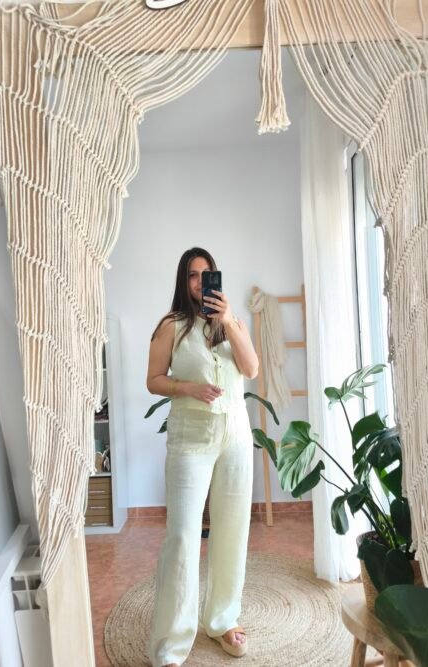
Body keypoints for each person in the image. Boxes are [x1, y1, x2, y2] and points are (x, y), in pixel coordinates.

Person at [146, 247, 259, 667]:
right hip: (191, 437)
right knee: (182, 536)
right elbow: (153, 380)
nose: (199, 282)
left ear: (215, 277)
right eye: (192, 275)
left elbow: (251, 369)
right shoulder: (171, 326)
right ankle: (172, 644)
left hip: (236, 436)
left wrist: (228, 320)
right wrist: (188, 388)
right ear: (183, 281)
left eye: (206, 274)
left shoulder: (233, 323)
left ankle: (223, 619)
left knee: (232, 530)